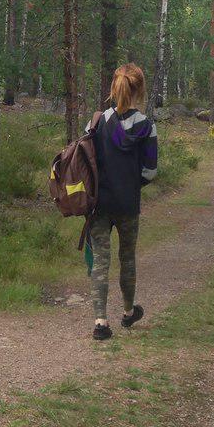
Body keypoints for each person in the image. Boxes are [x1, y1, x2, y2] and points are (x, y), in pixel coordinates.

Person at [86, 63, 158, 341]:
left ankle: (100, 322)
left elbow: (88, 163)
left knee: (100, 260)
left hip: (99, 203)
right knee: (127, 257)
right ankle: (128, 312)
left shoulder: (96, 122)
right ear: (139, 90)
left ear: (114, 88)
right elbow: (150, 172)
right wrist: (130, 185)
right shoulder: (146, 127)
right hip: (128, 204)